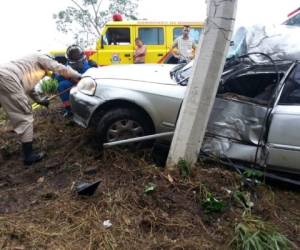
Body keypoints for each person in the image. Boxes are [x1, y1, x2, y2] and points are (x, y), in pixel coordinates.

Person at [0, 53, 81, 166]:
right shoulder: (42, 57)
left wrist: (40, 100)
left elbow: (29, 87)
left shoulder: (28, 65)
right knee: (25, 117)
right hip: (7, 79)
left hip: (5, 76)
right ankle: (29, 156)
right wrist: (79, 76)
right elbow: (59, 68)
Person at [54, 45, 97, 117]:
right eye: (73, 55)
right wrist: (67, 77)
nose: (75, 56)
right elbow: (59, 78)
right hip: (72, 83)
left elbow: (95, 77)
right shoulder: (66, 66)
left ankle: (90, 109)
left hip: (87, 84)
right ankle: (69, 110)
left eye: (76, 55)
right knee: (61, 85)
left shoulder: (90, 64)